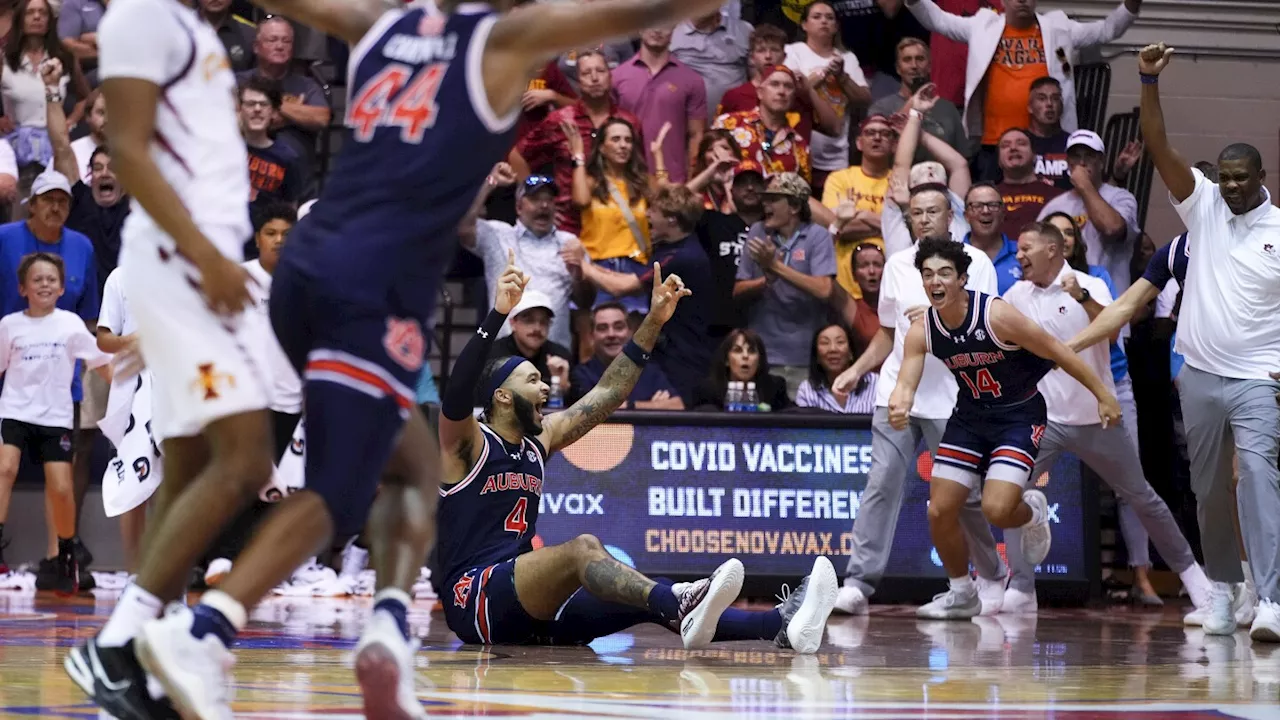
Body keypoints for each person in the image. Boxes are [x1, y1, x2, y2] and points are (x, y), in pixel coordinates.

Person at [74, 2, 739, 720]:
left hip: (305, 263)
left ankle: (386, 630)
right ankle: (206, 629)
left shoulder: (381, 23)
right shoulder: (499, 40)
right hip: (370, 280)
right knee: (335, 494)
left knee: (414, 467)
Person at [436, 258, 838, 652]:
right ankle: (682, 602)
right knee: (584, 550)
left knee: (643, 590)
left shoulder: (539, 440)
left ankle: (781, 625)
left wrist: (654, 321)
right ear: (502, 396)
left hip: (523, 601)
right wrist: (498, 314)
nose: (546, 389)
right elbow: (456, 394)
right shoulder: (467, 443)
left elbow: (608, 393)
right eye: (533, 381)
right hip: (474, 598)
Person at [1128, 43, 1279, 641]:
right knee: (1207, 488)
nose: (1234, 188)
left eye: (1244, 179)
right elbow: (1159, 146)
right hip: (1198, 375)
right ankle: (1224, 589)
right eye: (1227, 178)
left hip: (1258, 377)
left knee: (1259, 476)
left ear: (1262, 178)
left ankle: (1271, 599)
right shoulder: (1205, 206)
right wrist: (1147, 81)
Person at [891, 235, 1119, 618]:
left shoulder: (996, 315)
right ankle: (962, 592)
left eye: (945, 273)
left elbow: (1057, 349)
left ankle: (1031, 513)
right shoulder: (922, 329)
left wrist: (1102, 393)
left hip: (1018, 415)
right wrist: (899, 405)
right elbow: (905, 385)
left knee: (998, 510)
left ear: (963, 279)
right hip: (970, 418)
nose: (936, 281)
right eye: (928, 274)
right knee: (939, 510)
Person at [1000, 221, 1213, 616]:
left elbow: (1112, 334)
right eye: (1018, 250)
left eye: (1026, 248)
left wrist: (1081, 297)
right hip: (1043, 421)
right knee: (1008, 492)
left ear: (1053, 250)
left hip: (1096, 416)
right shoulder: (1016, 293)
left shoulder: (1089, 283)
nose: (1019, 256)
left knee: (1141, 497)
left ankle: (1193, 578)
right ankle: (1021, 588)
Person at [830, 188, 1006, 617]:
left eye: (933, 211)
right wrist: (856, 370)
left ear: (952, 215)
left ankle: (993, 574)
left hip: (955, 399)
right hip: (897, 390)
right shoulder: (896, 265)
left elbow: (982, 324)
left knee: (962, 496)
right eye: (916, 213)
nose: (924, 219)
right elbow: (889, 333)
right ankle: (858, 583)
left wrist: (933, 318)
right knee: (881, 483)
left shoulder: (975, 263)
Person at [1046, 210, 1157, 605]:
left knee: (1130, 485)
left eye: (1067, 233)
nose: (1061, 240)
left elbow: (1111, 336)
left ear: (1073, 242)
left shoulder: (1097, 280)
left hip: (1112, 388)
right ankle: (1046, 576)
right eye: (1053, 234)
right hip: (1055, 396)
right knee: (1055, 487)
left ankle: (1142, 577)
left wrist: (1080, 295)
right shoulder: (1028, 289)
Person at [901, 0, 1140, 181]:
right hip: (993, 144)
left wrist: (1132, 3)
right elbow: (939, 20)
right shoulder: (983, 26)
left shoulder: (1058, 29)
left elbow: (1107, 30)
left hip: (1046, 145)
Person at [0, 253, 110, 595]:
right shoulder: (9, 325)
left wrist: (134, 387)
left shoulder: (71, 324)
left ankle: (65, 554)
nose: (44, 284)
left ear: (62, 288)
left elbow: (102, 364)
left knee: (61, 489)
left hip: (56, 416)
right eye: (37, 279)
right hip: (16, 410)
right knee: (5, 468)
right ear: (23, 288)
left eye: (51, 279)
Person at [567, 184, 715, 403]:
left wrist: (583, 264)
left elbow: (621, 287)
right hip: (667, 351)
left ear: (672, 219)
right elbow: (621, 279)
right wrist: (587, 266)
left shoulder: (684, 256)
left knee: (674, 415)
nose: (647, 214)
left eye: (653, 210)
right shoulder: (669, 247)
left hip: (685, 358)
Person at [734, 172, 836, 396]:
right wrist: (766, 280)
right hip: (761, 356)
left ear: (794, 207)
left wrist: (776, 267)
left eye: (773, 200)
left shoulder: (818, 236)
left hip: (803, 357)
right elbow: (738, 290)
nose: (765, 204)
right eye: (765, 199)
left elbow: (824, 289)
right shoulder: (758, 232)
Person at [1037, 130, 1140, 296]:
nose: (1082, 162)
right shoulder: (1054, 206)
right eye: (1076, 157)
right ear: (1068, 163)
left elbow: (1111, 229)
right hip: (1062, 306)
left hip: (1109, 305)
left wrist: (1084, 185)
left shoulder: (1121, 198)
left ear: (1101, 161)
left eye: (1089, 156)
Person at [782, 1, 870, 196]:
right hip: (799, 149)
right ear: (804, 24)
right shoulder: (793, 51)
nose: (824, 21)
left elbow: (864, 99)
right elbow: (789, 90)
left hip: (836, 155)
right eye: (817, 17)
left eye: (829, 18)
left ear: (836, 26)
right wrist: (823, 74)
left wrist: (842, 77)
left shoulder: (848, 58)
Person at [568, 302, 683, 409]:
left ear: (630, 332)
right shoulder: (581, 375)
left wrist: (630, 406)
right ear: (592, 336)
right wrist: (654, 405)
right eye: (603, 328)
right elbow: (597, 410)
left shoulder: (650, 371)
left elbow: (677, 405)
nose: (611, 334)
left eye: (618, 327)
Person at [691, 328, 791, 411]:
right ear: (727, 360)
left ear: (759, 361)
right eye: (738, 350)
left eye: (751, 351)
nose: (745, 356)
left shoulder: (774, 387)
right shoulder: (708, 391)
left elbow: (793, 415)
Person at [795, 323, 876, 414]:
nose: (833, 349)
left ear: (851, 353)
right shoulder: (807, 390)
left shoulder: (875, 384)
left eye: (840, 342)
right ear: (817, 356)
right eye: (825, 343)